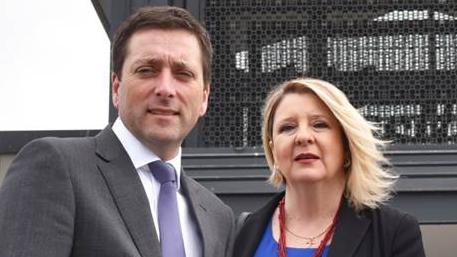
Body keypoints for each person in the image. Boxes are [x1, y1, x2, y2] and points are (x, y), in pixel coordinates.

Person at [0, 6, 234, 257]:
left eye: (183, 74)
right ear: (116, 88)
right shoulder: (55, 167)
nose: (166, 89)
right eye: (147, 70)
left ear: (204, 98)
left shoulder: (219, 218)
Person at [233, 78, 426, 257]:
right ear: (273, 150)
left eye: (319, 124)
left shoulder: (394, 232)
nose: (303, 137)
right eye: (288, 128)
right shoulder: (242, 232)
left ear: (346, 144)